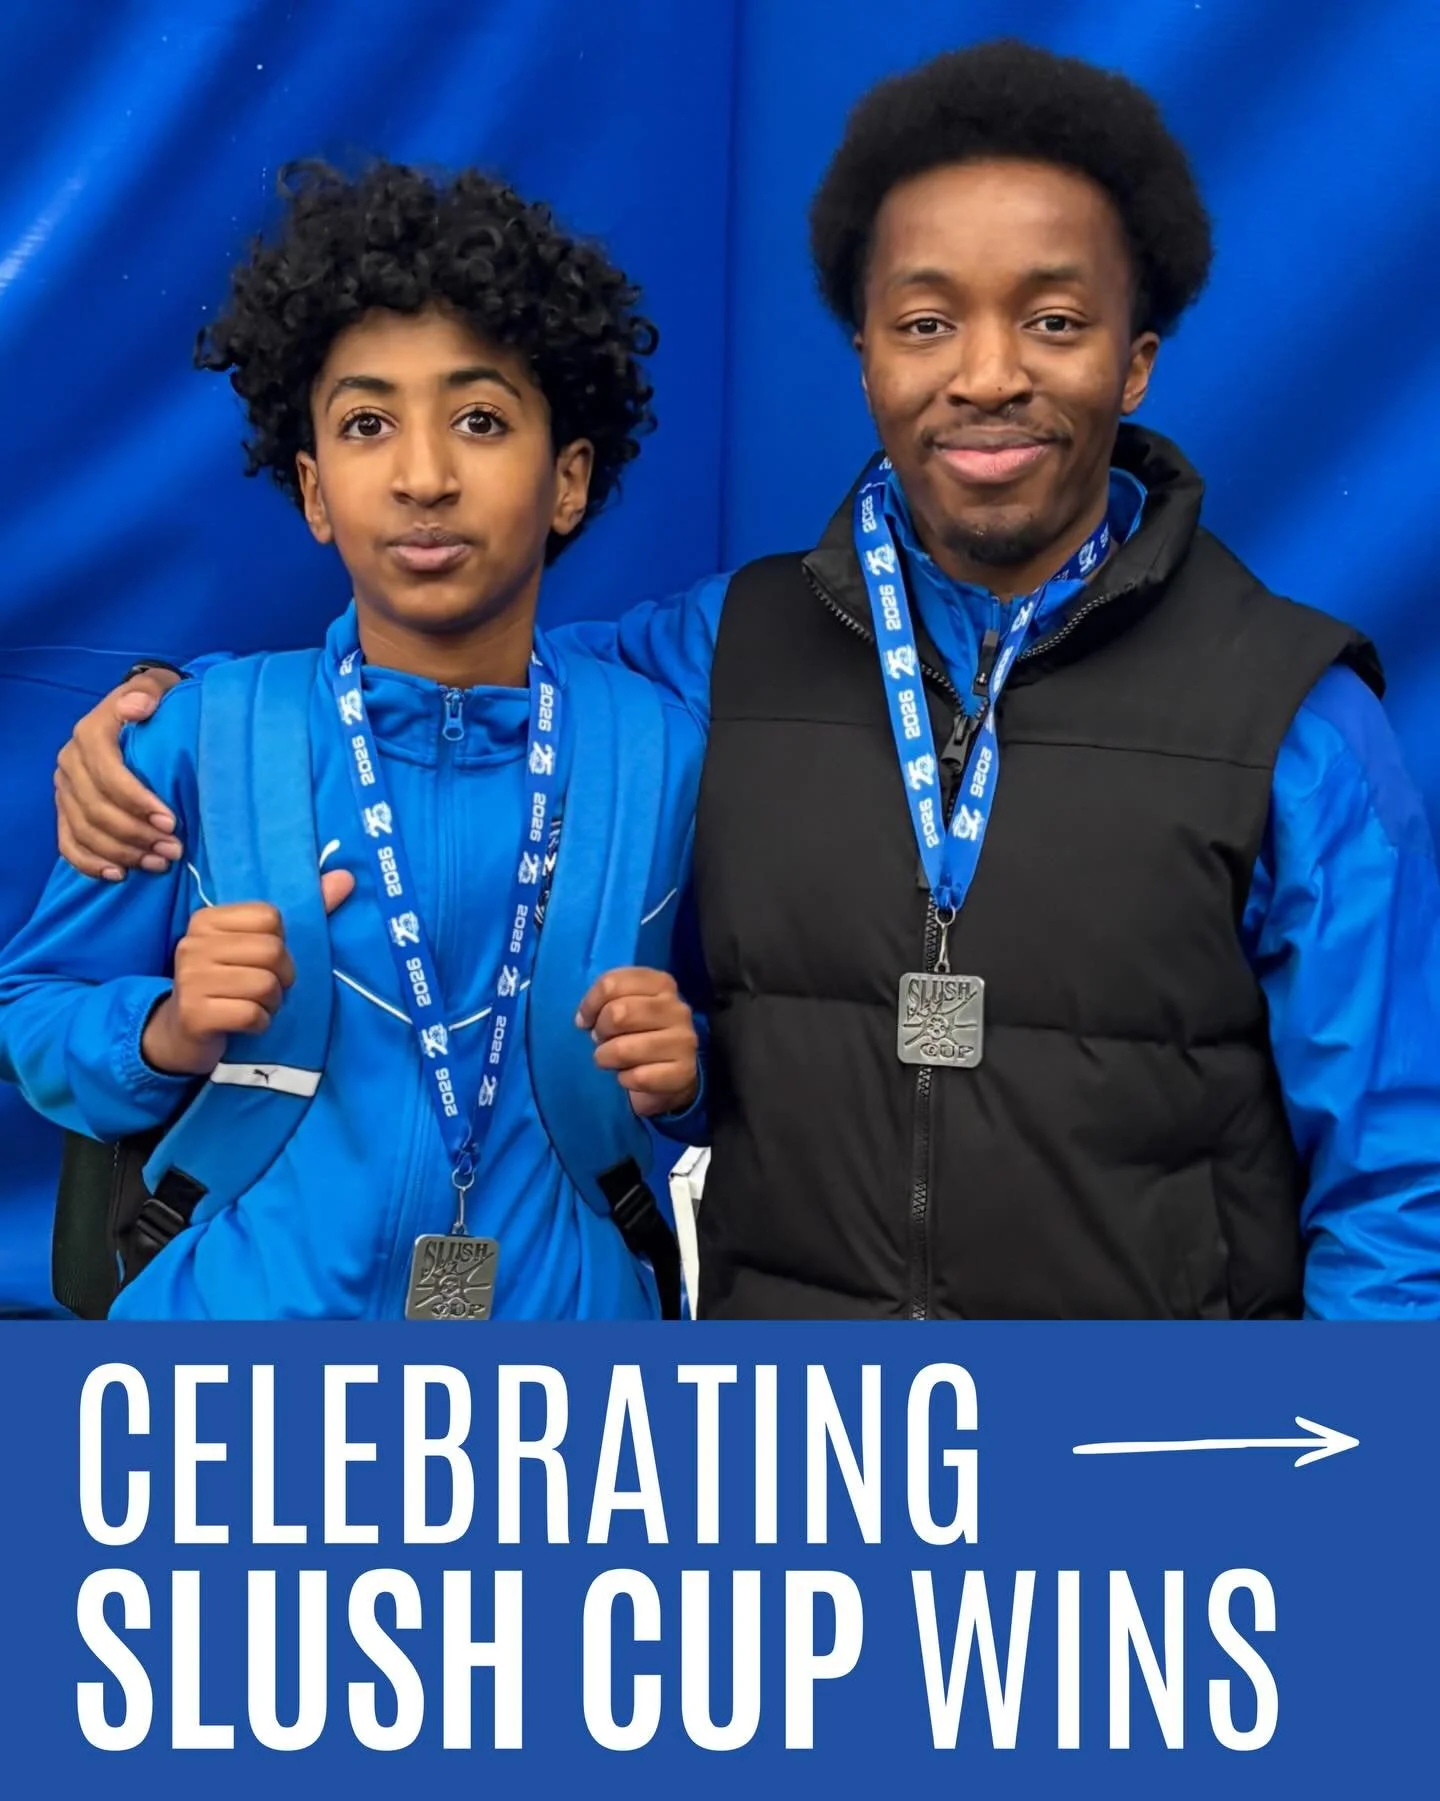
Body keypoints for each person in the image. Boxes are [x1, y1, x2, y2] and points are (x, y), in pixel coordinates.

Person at [50, 44, 1440, 1319]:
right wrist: (165, 714)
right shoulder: (729, 652)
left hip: (1123, 1468)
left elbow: (1396, 1197)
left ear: (1135, 361)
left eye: (1056, 321)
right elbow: (450, 673)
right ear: (866, 357)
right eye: (927, 323)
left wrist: (1331, 1480)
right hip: (784, 1452)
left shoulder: (1293, 722)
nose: (988, 375)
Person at [0, 160, 704, 1320]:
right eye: (368, 424)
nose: (424, 477)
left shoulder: (662, 756)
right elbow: (32, 1006)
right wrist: (166, 1029)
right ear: (316, 489)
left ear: (568, 480)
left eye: (480, 421)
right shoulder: (195, 739)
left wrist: (689, 1075)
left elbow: (767, 1024)